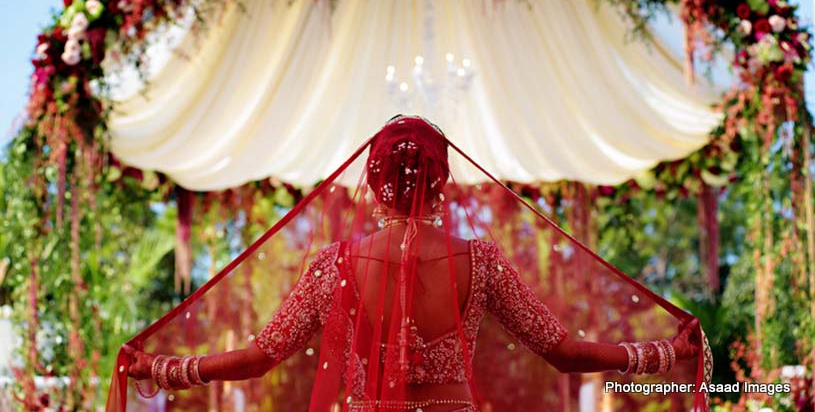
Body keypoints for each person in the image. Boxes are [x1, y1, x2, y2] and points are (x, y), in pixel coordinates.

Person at [118, 115, 705, 411]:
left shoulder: (334, 265)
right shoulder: (481, 261)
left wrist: (163, 368)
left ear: (371, 186)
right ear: (443, 182)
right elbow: (563, 350)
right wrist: (662, 353)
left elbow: (259, 358)